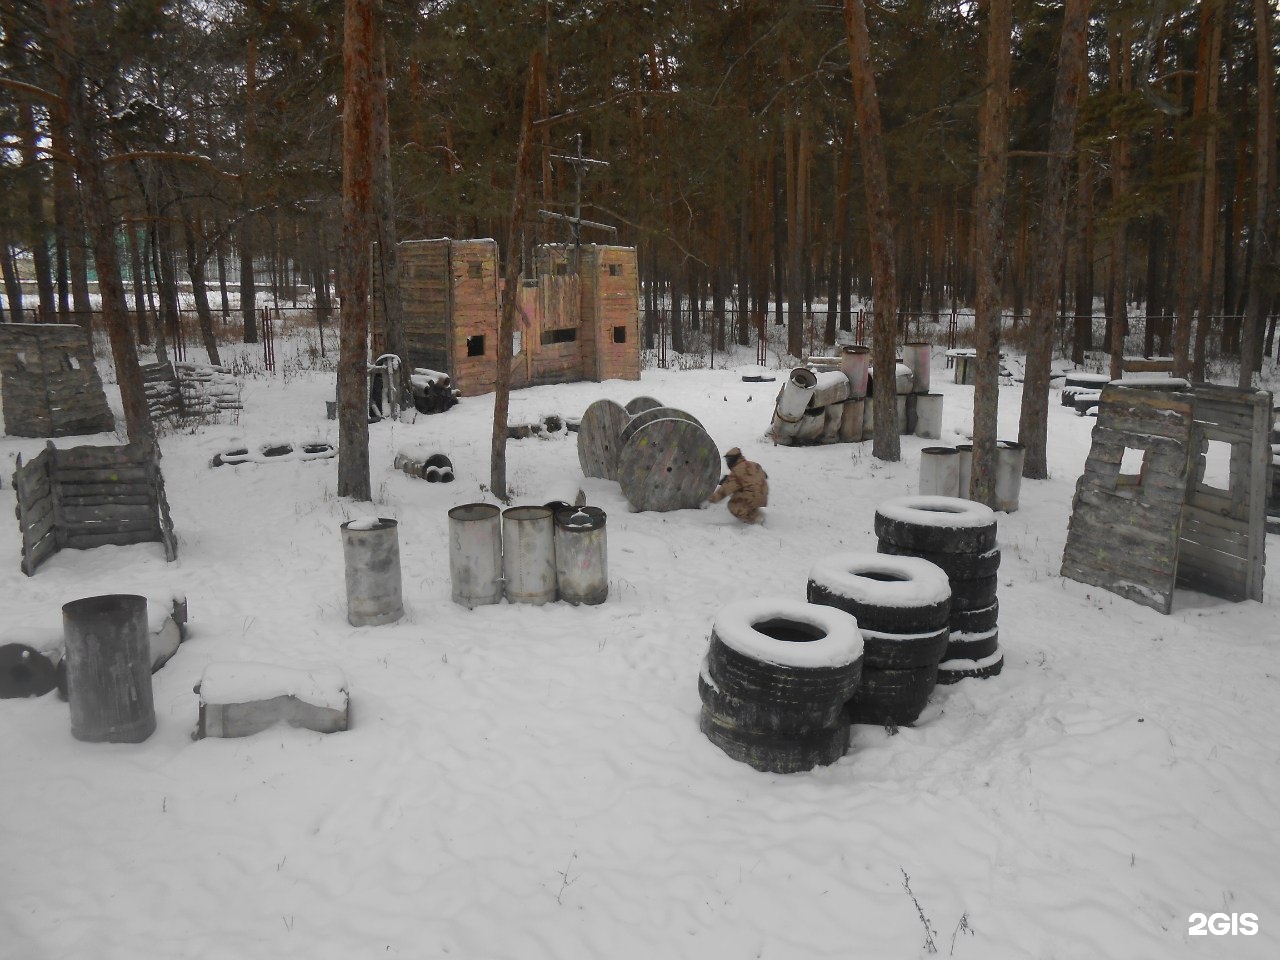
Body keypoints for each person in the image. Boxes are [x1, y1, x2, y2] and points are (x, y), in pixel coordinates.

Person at [708, 447, 768, 524]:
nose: (727, 462)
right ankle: (755, 512)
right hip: (763, 495)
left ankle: (754, 520)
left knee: (733, 505)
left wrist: (710, 500)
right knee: (739, 491)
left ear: (734, 459)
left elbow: (725, 490)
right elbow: (764, 475)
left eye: (729, 460)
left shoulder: (737, 470)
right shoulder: (754, 464)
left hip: (753, 496)